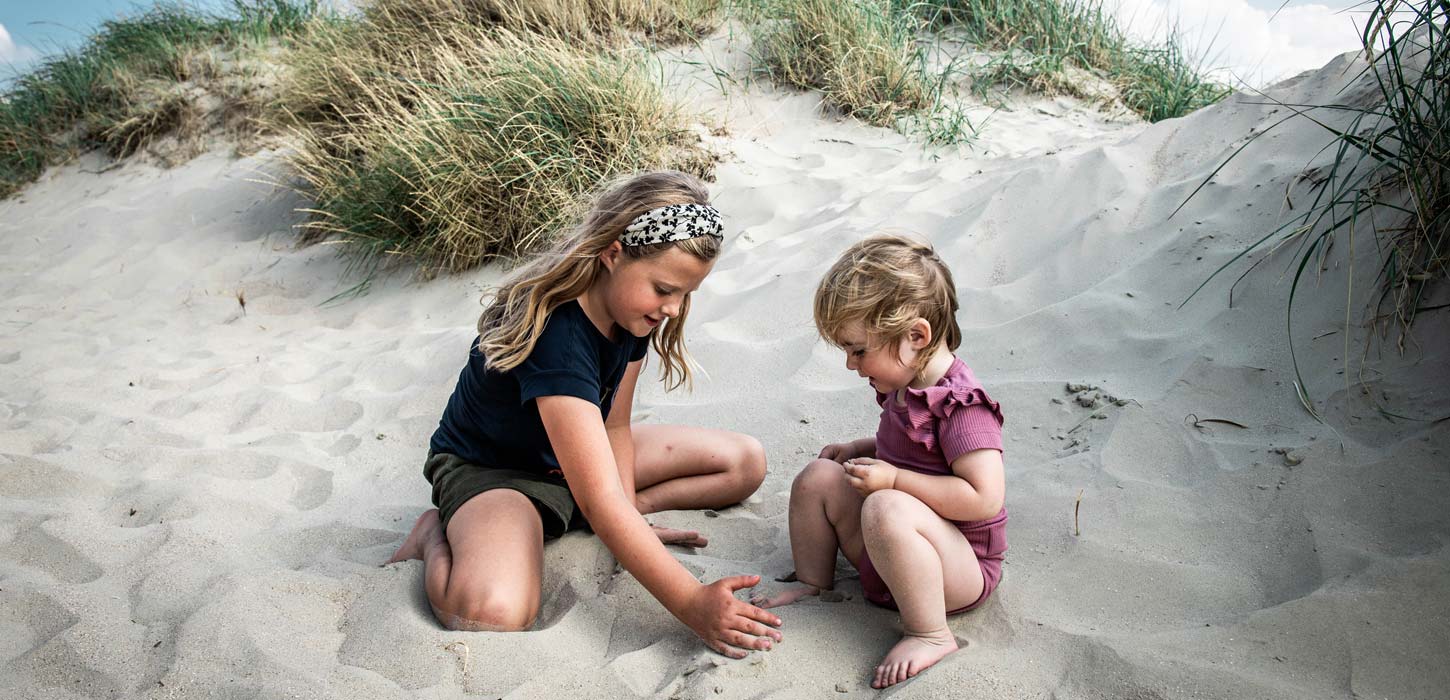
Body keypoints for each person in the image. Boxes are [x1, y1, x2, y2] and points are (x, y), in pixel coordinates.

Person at [388, 171, 782, 658]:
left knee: (744, 463)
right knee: (491, 613)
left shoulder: (629, 311)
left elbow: (614, 424)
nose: (674, 310)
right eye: (664, 288)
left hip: (578, 449)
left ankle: (603, 516)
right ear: (613, 254)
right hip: (498, 473)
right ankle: (434, 536)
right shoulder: (557, 333)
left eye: (686, 294)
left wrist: (625, 516)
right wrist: (692, 602)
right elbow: (599, 501)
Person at [753, 234, 1007, 688]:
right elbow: (912, 445)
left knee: (886, 504)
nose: (851, 365)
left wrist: (894, 480)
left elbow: (982, 498)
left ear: (916, 336)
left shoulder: (964, 407)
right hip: (895, 547)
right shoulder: (902, 383)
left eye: (858, 349)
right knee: (819, 477)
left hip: (957, 569)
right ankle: (814, 582)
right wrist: (860, 449)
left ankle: (929, 633)